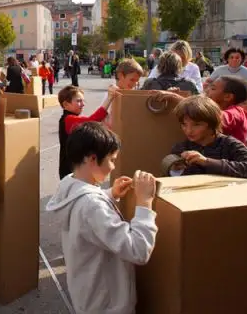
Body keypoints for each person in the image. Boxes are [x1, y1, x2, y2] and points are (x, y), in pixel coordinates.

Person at [46, 122, 158, 314]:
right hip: (107, 304)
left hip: (88, 294)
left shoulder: (69, 184)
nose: (113, 166)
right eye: (112, 160)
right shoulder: (92, 206)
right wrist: (144, 204)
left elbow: (85, 215)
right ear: (92, 159)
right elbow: (138, 250)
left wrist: (109, 194)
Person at [163, 95, 247, 182]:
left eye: (197, 125)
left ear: (212, 123)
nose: (188, 130)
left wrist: (207, 162)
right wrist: (174, 168)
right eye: (184, 124)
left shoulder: (230, 145)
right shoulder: (181, 147)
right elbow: (173, 179)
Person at [57, 84, 119, 179]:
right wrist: (109, 98)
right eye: (78, 101)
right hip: (70, 169)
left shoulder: (70, 119)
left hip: (73, 168)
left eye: (83, 101)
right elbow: (93, 120)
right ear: (66, 104)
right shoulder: (68, 119)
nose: (83, 104)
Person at [103, 58, 144, 127]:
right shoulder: (111, 94)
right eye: (132, 80)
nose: (134, 84)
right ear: (120, 76)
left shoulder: (130, 93)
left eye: (137, 81)